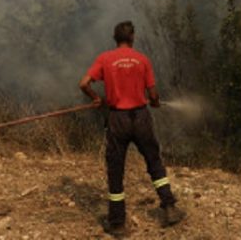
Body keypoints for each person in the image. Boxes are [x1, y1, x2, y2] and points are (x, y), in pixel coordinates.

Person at [79, 20, 184, 235]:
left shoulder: (105, 58)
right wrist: (154, 101)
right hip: (141, 118)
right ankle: (170, 207)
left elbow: (84, 83)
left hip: (118, 119)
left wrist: (96, 98)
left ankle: (117, 223)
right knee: (154, 162)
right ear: (132, 37)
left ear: (115, 38)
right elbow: (153, 94)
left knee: (116, 169)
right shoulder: (142, 60)